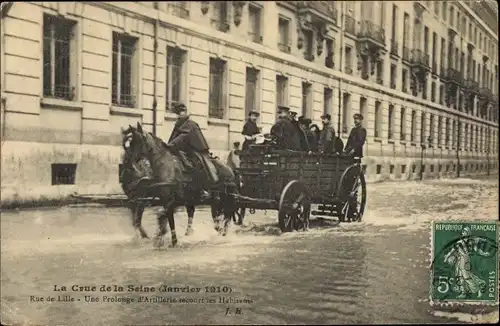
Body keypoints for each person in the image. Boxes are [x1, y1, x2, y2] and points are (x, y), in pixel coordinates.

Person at [166, 103, 212, 199]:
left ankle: (202, 190)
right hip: (184, 151)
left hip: (196, 150)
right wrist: (167, 147)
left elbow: (183, 136)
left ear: (185, 112)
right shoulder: (179, 124)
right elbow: (174, 137)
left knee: (196, 166)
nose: (179, 115)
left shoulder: (190, 124)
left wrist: (171, 145)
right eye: (178, 113)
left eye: (181, 112)